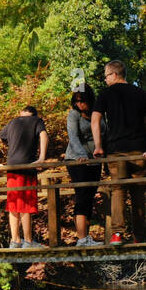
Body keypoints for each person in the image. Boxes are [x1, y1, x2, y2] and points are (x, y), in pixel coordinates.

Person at [92, 60, 146, 244]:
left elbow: (95, 120)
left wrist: (98, 146)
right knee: (138, 193)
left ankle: (117, 234)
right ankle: (139, 237)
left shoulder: (106, 94)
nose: (105, 80)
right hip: (138, 149)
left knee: (118, 190)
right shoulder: (141, 93)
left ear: (114, 74)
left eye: (106, 76)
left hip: (116, 149)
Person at [0, 105, 49, 249]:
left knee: (13, 205)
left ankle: (15, 241)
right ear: (34, 114)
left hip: (12, 167)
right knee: (26, 204)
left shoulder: (12, 122)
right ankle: (28, 242)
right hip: (27, 166)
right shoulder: (37, 121)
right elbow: (43, 136)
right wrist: (41, 158)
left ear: (21, 113)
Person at [64, 88, 103, 246]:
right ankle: (81, 239)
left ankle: (86, 237)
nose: (79, 104)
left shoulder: (97, 113)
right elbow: (72, 136)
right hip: (76, 159)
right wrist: (83, 156)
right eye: (76, 101)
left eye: (82, 100)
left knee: (89, 197)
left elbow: (103, 132)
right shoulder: (74, 115)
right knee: (82, 196)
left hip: (94, 160)